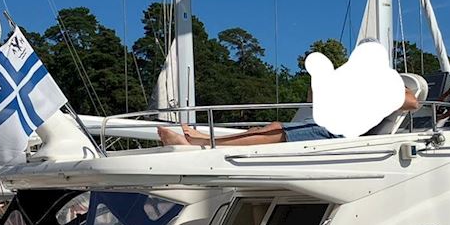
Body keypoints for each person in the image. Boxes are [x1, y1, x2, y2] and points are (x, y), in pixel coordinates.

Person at [156, 86, 421, 148]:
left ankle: (200, 142)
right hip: (324, 123)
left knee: (275, 134)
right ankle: (204, 138)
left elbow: (412, 102)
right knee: (272, 126)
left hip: (338, 134)